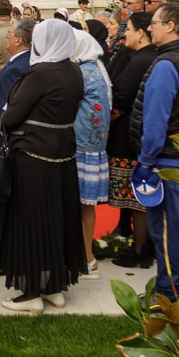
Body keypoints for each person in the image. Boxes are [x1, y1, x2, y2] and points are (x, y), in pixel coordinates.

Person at [0, 20, 87, 312]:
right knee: (57, 219)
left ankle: (31, 292)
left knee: (31, 220)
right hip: (63, 155)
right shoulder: (73, 70)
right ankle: (54, 286)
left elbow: (11, 116)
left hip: (34, 156)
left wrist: (3, 118)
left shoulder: (40, 73)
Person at [133, 5, 179, 299]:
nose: (150, 28)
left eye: (156, 23)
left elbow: (156, 119)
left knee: (167, 229)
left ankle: (168, 292)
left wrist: (146, 161)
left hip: (164, 160)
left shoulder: (166, 64)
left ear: (171, 25)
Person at [104, 10, 158, 263]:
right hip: (137, 131)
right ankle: (141, 245)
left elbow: (121, 97)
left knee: (138, 196)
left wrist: (106, 121)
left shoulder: (140, 60)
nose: (125, 33)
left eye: (129, 29)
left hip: (130, 135)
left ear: (141, 33)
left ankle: (141, 250)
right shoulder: (146, 57)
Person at [72, 26, 113, 279]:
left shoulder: (82, 73)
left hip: (80, 147)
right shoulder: (98, 69)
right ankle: (87, 256)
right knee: (85, 206)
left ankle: (85, 256)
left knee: (78, 205)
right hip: (94, 147)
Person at [0, 18, 35, 176]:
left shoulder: (18, 67)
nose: (6, 37)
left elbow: (1, 110)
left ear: (18, 40)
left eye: (9, 34)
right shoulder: (22, 61)